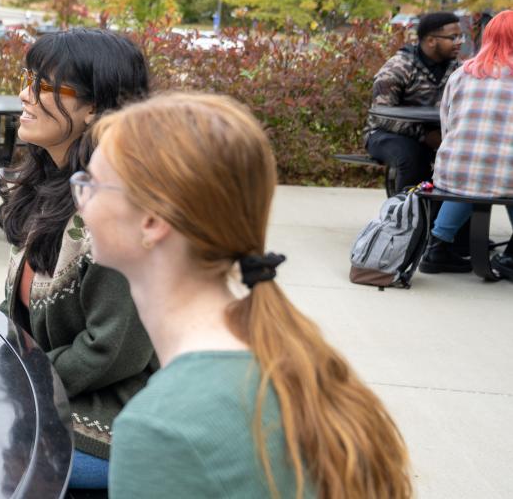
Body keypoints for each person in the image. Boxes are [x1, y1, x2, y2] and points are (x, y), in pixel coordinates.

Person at [81, 93, 412, 498]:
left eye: (92, 185)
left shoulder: (162, 426)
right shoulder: (292, 356)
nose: (80, 201)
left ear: (152, 221)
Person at [0, 28, 159, 490]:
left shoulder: (116, 204)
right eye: (28, 79)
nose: (25, 95)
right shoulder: (45, 185)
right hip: (50, 387)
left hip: (110, 408)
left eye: (45, 86)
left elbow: (115, 349)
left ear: (95, 108)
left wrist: (25, 381)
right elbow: (21, 315)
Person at [425, 10, 513, 279]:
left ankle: (437, 248)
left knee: (476, 170)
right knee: (501, 169)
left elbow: (447, 125)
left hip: (455, 170)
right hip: (505, 174)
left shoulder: (462, 73)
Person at [366, 11, 463, 192]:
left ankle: (452, 218)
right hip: (387, 134)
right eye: (453, 37)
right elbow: (381, 116)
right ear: (431, 40)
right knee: (412, 156)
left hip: (439, 135)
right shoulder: (398, 67)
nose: (460, 42)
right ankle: (406, 214)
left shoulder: (458, 69)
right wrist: (425, 136)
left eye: (461, 36)